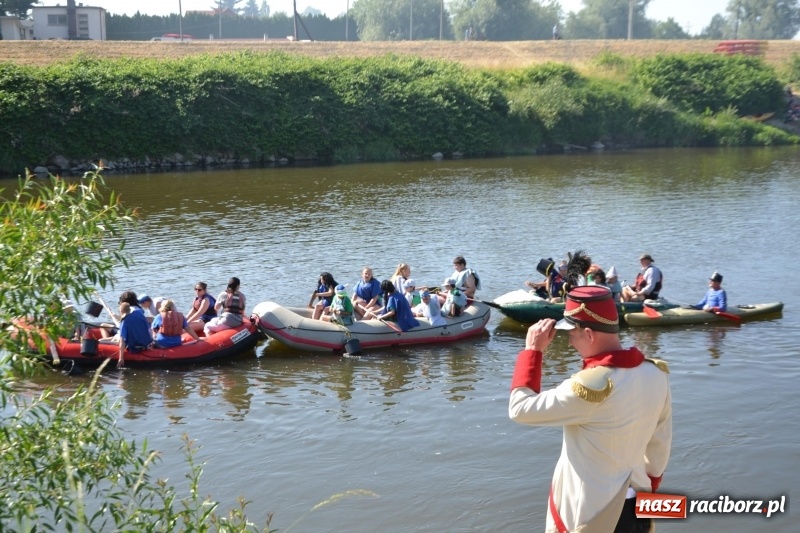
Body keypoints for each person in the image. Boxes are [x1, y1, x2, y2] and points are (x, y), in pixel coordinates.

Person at [508, 286, 672, 533]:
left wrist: (532, 351)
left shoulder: (591, 386)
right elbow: (659, 446)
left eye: (571, 333)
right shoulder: (656, 373)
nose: (570, 341)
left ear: (589, 334)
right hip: (638, 506)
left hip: (593, 516)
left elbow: (520, 409)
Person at [114, 292, 152, 368]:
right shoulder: (140, 311)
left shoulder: (125, 320)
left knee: (115, 337)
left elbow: (122, 340)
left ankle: (100, 342)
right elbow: (148, 330)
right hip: (145, 344)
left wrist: (121, 358)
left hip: (133, 347)